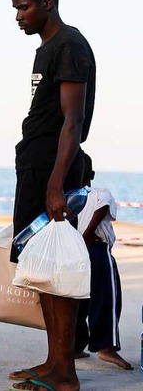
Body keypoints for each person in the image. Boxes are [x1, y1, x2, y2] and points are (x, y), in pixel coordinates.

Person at [7, 0, 96, 391]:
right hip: (38, 164)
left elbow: (73, 123)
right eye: (15, 8)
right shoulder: (46, 48)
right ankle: (53, 362)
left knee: (57, 269)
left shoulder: (70, 46)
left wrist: (56, 184)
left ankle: (66, 373)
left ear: (47, 2)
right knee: (42, 266)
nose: (19, 15)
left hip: (53, 167)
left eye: (24, 6)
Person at [74, 153, 132, 370]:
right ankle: (106, 347)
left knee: (78, 300)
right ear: (92, 174)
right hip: (95, 249)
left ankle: (75, 345)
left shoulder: (65, 196)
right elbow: (103, 206)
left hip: (74, 252)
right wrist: (88, 235)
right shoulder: (99, 192)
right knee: (106, 296)